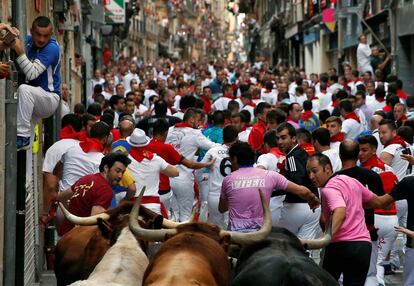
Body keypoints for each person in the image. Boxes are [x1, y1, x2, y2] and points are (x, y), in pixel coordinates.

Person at [306, 153, 391, 286]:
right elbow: (378, 202)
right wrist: (397, 192)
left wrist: (326, 238)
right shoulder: (352, 181)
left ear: (327, 168)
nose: (311, 176)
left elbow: (340, 210)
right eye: (309, 172)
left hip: (340, 246)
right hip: (363, 247)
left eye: (315, 171)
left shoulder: (328, 190)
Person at [219, 141, 319, 232]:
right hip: (261, 234)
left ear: (235, 159)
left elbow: (222, 208)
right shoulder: (270, 175)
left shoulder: (228, 180)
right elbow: (302, 191)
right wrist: (312, 198)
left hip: (236, 235)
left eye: (230, 159)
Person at [335, 140, 385, 286]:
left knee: (342, 277)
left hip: (342, 235)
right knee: (369, 275)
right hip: (367, 233)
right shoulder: (372, 176)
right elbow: (383, 203)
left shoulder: (334, 179)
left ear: (339, 155)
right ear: (357, 155)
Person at [9, 16, 61, 149]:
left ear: (51, 34)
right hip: (32, 98)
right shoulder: (28, 41)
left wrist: (19, 50)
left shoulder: (52, 48)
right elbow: (11, 41)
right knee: (27, 150)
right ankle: (26, 161)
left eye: (46, 35)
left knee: (24, 90)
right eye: (38, 34)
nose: (42, 39)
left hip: (49, 97)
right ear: (32, 31)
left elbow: (32, 74)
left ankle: (22, 136)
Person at [146, 119, 215, 218]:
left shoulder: (145, 145)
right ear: (166, 132)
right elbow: (190, 164)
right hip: (167, 189)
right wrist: (206, 164)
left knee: (166, 217)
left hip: (151, 190)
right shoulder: (167, 148)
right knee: (183, 216)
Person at [358, 135, 399, 285]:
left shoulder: (364, 172)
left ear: (374, 150)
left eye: (364, 150)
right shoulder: (389, 168)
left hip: (375, 219)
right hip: (392, 221)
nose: (360, 154)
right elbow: (396, 191)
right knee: (379, 263)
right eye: (359, 150)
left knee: (369, 266)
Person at [57, 152, 131, 236]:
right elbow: (96, 220)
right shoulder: (105, 190)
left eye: (123, 172)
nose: (120, 176)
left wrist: (70, 214)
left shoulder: (85, 179)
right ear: (106, 168)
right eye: (117, 171)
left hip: (64, 235)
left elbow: (60, 197)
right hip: (80, 238)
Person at [166, 108, 219, 221]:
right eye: (198, 120)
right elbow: (213, 146)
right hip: (183, 179)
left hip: (167, 178)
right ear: (191, 119)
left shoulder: (170, 130)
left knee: (172, 215)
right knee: (186, 215)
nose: (199, 124)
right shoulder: (195, 133)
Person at [276, 123, 321, 240]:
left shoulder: (292, 157)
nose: (280, 142)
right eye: (278, 138)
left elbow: (297, 181)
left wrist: (276, 188)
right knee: (305, 249)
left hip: (297, 205)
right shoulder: (301, 153)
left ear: (294, 138)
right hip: (313, 208)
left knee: (281, 243)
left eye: (283, 137)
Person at [127, 128, 179, 216]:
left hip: (133, 206)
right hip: (153, 207)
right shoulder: (156, 159)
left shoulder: (125, 160)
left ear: (131, 144)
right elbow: (175, 172)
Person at [201, 125, 238, 228]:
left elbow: (199, 169)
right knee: (230, 229)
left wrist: (204, 181)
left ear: (223, 137)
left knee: (214, 230)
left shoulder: (213, 151)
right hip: (232, 196)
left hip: (214, 195)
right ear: (236, 138)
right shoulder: (239, 152)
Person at [256, 130, 286, 226]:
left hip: (270, 204)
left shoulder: (266, 157)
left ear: (266, 144)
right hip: (287, 204)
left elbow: (258, 172)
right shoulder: (289, 155)